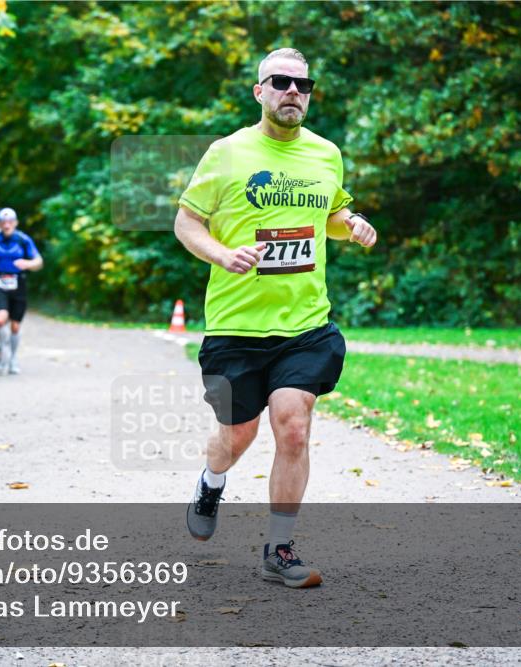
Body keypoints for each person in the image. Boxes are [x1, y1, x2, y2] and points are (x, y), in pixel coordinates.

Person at [174, 48, 377, 588]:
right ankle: (211, 482)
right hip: (236, 328)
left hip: (304, 325)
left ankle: (278, 549)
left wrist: (350, 222)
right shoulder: (226, 153)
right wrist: (221, 254)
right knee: (235, 438)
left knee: (293, 425)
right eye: (281, 82)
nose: (293, 91)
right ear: (259, 91)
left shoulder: (325, 155)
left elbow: (328, 212)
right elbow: (186, 222)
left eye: (303, 85)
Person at [0, 208, 43, 375]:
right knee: (0, 319)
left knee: (15, 326)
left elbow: (39, 261)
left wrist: (28, 264)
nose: (7, 225)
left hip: (18, 283)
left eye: (10, 221)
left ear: (15, 222)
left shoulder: (23, 239)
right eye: (3, 222)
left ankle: (13, 358)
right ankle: (3, 352)